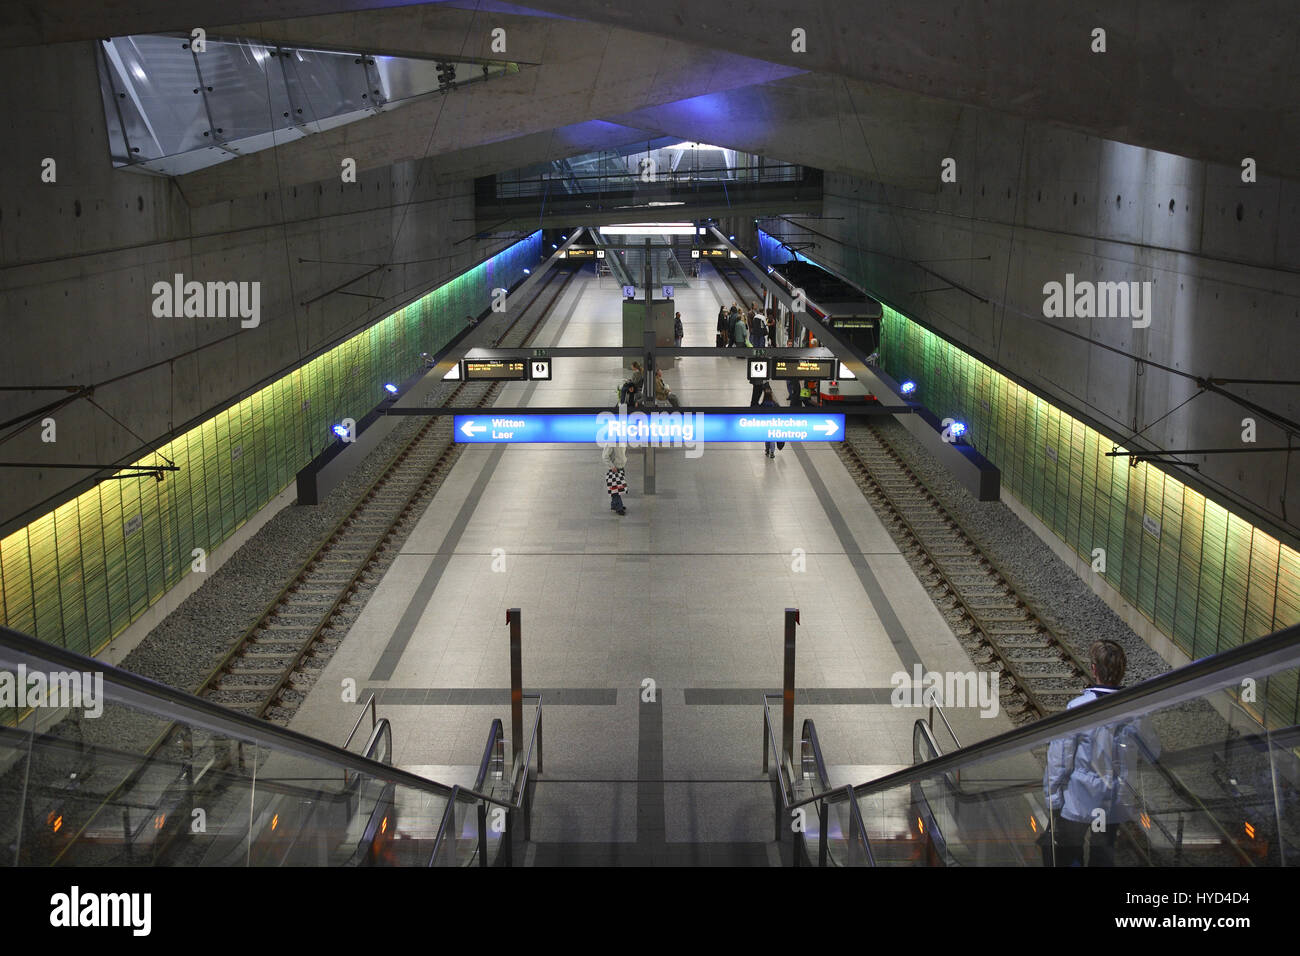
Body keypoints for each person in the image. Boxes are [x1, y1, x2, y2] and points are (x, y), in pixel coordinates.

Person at [1041, 640, 1161, 867]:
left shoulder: (1078, 708)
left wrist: (1052, 799)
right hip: (1115, 800)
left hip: (1078, 798)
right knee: (1103, 853)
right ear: (1122, 671)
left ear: (1094, 669)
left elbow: (1060, 760)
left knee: (1068, 852)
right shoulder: (1136, 711)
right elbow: (1152, 751)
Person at [602, 441, 628, 515]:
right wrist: (612, 466)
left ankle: (614, 504)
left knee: (616, 487)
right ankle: (619, 507)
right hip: (615, 469)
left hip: (621, 467)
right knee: (616, 489)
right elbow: (605, 456)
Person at [757, 383, 782, 458]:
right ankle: (772, 452)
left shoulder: (763, 405)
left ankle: (767, 450)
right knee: (772, 439)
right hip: (773, 423)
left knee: (767, 437)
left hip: (765, 423)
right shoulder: (775, 404)